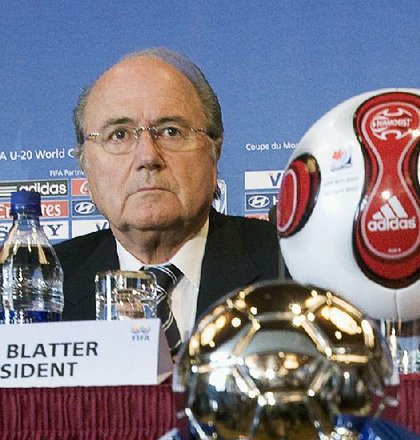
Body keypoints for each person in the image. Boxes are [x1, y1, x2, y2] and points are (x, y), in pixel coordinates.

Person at [56, 48, 282, 352]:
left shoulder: (291, 267)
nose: (148, 157)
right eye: (119, 135)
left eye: (171, 131)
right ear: (85, 163)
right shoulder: (47, 283)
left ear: (214, 153)